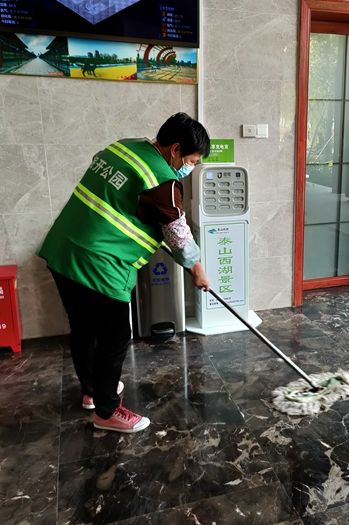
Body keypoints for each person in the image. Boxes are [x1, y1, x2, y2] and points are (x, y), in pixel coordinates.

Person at [38, 112, 211, 433]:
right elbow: (178, 235)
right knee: (115, 335)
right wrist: (197, 270)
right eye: (192, 159)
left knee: (84, 327)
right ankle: (107, 411)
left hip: (63, 249)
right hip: (98, 262)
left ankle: (92, 391)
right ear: (175, 149)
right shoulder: (161, 178)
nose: (192, 167)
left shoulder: (122, 148)